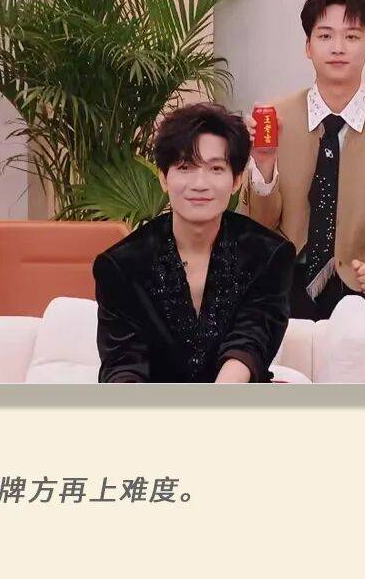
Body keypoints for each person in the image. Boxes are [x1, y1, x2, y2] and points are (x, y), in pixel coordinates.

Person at [238, 0, 365, 329]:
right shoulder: (274, 118)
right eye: (325, 36)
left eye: (352, 37)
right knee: (254, 316)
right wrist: (263, 163)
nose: (338, 48)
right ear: (308, 46)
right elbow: (258, 226)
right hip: (290, 277)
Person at [93, 102, 296, 383]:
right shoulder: (121, 265)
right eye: (185, 167)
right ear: (164, 178)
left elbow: (251, 341)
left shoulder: (269, 255)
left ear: (237, 180)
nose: (200, 184)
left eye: (216, 168)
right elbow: (123, 363)